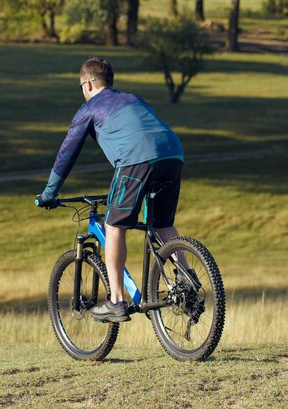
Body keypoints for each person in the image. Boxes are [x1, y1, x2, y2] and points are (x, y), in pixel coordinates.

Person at [35, 57, 185, 322]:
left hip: (135, 160)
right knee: (162, 225)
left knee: (115, 226)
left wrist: (48, 194)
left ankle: (116, 301)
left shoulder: (90, 108)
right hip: (173, 153)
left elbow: (67, 153)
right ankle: (185, 282)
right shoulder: (133, 98)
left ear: (88, 85)